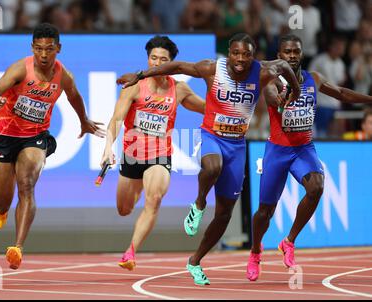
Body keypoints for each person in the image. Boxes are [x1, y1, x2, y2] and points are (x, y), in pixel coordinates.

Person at [117, 33, 301, 285]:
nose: (240, 59)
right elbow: (179, 66)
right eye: (236, 53)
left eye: (246, 55)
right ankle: (200, 203)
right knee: (212, 166)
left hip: (237, 145)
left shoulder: (261, 71)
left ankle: (195, 261)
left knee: (225, 213)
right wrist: (141, 75)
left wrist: (296, 90)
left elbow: (283, 67)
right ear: (229, 53)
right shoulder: (212, 68)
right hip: (211, 137)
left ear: (253, 56)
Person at [246, 34, 372, 281]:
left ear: (301, 54)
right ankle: (254, 252)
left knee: (316, 187)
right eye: (287, 52)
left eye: (295, 51)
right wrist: (282, 99)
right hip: (278, 151)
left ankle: (289, 241)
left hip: (303, 149)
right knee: (264, 212)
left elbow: (342, 93)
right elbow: (271, 96)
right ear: (279, 55)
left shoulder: (314, 79)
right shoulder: (272, 80)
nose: (292, 55)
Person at [0, 23, 105, 270]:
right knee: (1, 200)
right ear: (32, 48)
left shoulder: (64, 76)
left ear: (58, 49)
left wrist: (84, 121)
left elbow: (75, 97)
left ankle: (17, 247)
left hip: (35, 136)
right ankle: (1, 210)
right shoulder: (21, 69)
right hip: (5, 134)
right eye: (38, 49)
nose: (43, 54)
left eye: (49, 49)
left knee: (27, 184)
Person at [101, 35, 205, 271]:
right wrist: (108, 147)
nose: (157, 63)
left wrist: (231, 113)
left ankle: (131, 251)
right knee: (124, 209)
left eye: (163, 60)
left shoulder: (179, 89)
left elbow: (207, 109)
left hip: (160, 155)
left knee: (155, 199)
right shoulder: (135, 87)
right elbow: (117, 119)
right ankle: (138, 188)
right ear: (148, 59)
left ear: (171, 63)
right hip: (132, 154)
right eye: (153, 58)